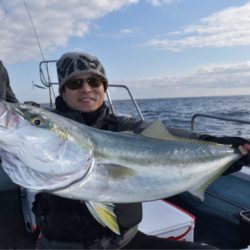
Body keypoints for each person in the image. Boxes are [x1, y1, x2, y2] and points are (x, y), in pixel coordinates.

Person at [32, 52, 250, 249]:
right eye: (76, 83)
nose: (86, 88)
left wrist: (231, 149)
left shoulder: (125, 127)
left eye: (94, 81)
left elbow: (177, 141)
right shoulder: (41, 133)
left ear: (104, 87)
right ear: (63, 90)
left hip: (126, 242)